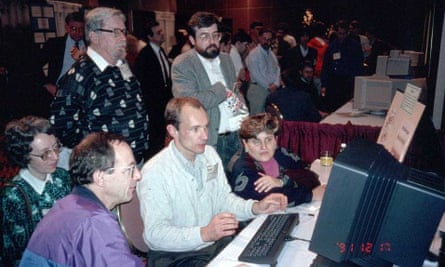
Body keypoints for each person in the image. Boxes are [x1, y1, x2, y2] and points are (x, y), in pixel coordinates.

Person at [137, 97, 288, 267]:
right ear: (173, 131)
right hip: (176, 257)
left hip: (212, 246)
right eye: (195, 129)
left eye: (205, 127)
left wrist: (255, 207)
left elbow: (223, 200)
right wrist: (204, 234)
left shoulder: (209, 154)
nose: (205, 136)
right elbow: (154, 235)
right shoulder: (154, 172)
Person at [19, 132, 144, 267]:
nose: (138, 175)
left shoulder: (67, 204)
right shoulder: (95, 223)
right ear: (100, 177)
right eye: (130, 169)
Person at [49, 7, 149, 165]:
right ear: (94, 36)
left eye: (124, 31)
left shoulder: (122, 65)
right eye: (115, 32)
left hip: (134, 162)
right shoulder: (79, 75)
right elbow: (61, 125)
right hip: (104, 169)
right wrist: (97, 152)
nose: (123, 38)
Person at [171, 11, 248, 171]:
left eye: (215, 35)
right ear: (192, 40)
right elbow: (189, 104)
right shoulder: (183, 64)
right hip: (210, 140)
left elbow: (234, 92)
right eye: (204, 36)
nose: (212, 41)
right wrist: (221, 90)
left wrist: (245, 117)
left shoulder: (226, 59)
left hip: (236, 136)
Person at [1, 116, 71, 266]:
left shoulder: (62, 177)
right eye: (45, 153)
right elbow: (15, 254)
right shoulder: (13, 197)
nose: (55, 156)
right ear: (24, 156)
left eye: (56, 147)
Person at [230, 113, 317, 206]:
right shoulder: (242, 167)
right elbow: (272, 200)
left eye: (268, 140)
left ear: (276, 139)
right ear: (245, 143)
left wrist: (282, 181)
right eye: (256, 142)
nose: (263, 147)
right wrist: (312, 195)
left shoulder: (283, 153)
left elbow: (311, 177)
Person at [133, 20, 173, 158]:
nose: (162, 35)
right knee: (155, 141)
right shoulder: (145, 55)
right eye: (158, 33)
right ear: (150, 37)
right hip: (152, 106)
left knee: (163, 137)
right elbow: (141, 82)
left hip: (164, 103)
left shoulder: (161, 51)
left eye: (161, 32)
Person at [40, 11, 87, 97]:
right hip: (58, 91)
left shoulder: (90, 45)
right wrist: (46, 84)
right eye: (73, 28)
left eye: (81, 29)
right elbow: (34, 65)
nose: (77, 32)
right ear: (67, 28)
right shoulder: (54, 44)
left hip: (84, 91)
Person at [320, 20, 364, 112]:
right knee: (332, 109)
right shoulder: (331, 46)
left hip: (347, 82)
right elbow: (325, 66)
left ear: (348, 32)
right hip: (333, 82)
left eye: (344, 34)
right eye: (340, 33)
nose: (342, 36)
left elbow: (358, 66)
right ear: (336, 32)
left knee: (346, 109)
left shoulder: (355, 46)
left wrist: (355, 83)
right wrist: (324, 84)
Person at [246, 28, 281, 115]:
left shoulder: (272, 54)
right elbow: (256, 74)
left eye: (269, 40)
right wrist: (269, 86)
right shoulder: (253, 54)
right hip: (258, 89)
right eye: (264, 39)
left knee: (269, 117)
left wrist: (276, 84)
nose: (266, 42)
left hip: (271, 89)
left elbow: (277, 70)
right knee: (257, 117)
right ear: (260, 38)